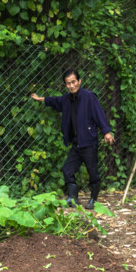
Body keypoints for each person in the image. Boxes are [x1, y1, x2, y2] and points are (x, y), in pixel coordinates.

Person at [31, 70, 114, 209]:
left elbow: (99, 113)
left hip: (89, 142)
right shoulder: (66, 99)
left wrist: (106, 132)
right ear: (65, 85)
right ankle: (72, 198)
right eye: (68, 83)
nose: (71, 85)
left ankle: (93, 199)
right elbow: (54, 100)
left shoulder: (89, 97)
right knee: (67, 170)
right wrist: (41, 99)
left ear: (79, 81)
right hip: (77, 144)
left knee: (93, 172)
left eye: (73, 82)